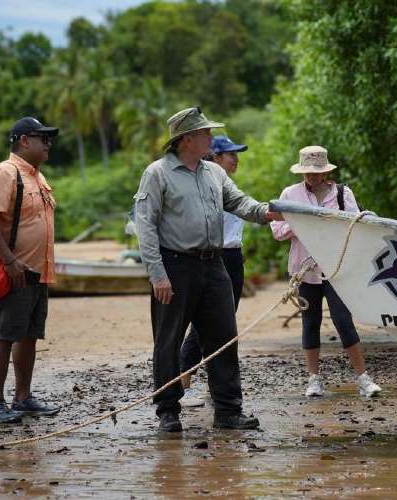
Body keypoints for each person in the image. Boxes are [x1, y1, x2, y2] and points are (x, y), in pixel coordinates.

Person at [134, 107, 281, 432]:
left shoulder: (214, 173)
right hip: (175, 266)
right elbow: (144, 225)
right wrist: (157, 274)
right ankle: (168, 412)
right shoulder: (157, 173)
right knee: (168, 340)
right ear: (187, 139)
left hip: (214, 265)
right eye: (206, 133)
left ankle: (228, 411)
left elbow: (240, 203)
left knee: (224, 337)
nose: (211, 138)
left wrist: (268, 212)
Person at [270, 145, 382, 399]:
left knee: (343, 320)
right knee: (311, 322)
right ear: (301, 172)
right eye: (308, 171)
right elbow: (277, 231)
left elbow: (355, 227)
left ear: (325, 170)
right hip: (304, 270)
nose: (312, 176)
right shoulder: (290, 194)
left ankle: (363, 378)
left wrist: (329, 222)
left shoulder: (342, 194)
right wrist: (304, 222)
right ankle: (313, 379)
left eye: (317, 171)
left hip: (335, 268)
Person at [0, 116, 61, 423]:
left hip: (39, 272)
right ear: (25, 140)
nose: (48, 143)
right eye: (43, 138)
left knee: (28, 336)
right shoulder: (5, 172)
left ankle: (22, 398)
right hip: (16, 271)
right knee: (5, 335)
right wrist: (9, 260)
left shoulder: (38, 176)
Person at [179, 135, 249, 406]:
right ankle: (183, 382)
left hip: (234, 257)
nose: (236, 159)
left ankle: (215, 383)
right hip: (215, 257)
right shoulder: (206, 185)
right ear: (215, 157)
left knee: (223, 325)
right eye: (230, 154)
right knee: (203, 326)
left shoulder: (226, 185)